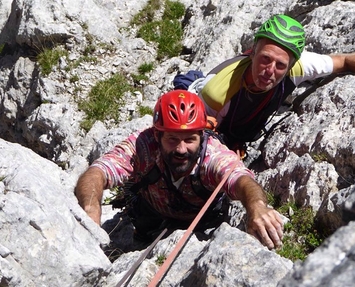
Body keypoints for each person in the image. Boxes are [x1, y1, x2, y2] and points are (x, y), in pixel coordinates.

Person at [74, 90, 284, 249]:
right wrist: (91, 211)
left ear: (201, 136)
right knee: (142, 233)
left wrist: (257, 206)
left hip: (201, 221)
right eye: (172, 139)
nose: (181, 149)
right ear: (157, 136)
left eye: (190, 139)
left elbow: (240, 179)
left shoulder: (213, 156)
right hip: (152, 210)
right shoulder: (143, 145)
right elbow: (98, 172)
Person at [189, 14, 355, 151]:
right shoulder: (218, 92)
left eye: (280, 65)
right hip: (201, 98)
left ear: (291, 63)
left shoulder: (298, 66)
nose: (270, 71)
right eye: (265, 59)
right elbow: (195, 137)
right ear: (253, 52)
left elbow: (345, 60)